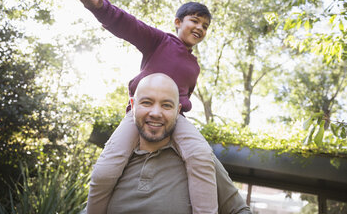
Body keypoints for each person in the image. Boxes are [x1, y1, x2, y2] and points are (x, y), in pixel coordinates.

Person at [65, 0, 217, 214]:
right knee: (106, 169)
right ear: (178, 22)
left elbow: (184, 99)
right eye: (195, 21)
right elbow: (129, 25)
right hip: (139, 117)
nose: (199, 28)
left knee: (202, 156)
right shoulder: (160, 41)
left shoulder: (195, 67)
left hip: (175, 120)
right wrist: (98, 7)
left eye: (205, 26)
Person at [106, 73, 252, 213]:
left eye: (167, 105)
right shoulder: (115, 161)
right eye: (147, 102)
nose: (156, 113)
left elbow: (239, 210)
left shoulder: (199, 161)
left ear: (178, 111)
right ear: (133, 105)